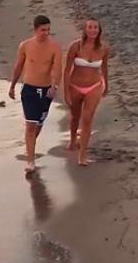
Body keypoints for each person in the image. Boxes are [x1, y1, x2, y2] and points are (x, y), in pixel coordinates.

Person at [6, 15, 62, 176]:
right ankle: (30, 161)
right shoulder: (25, 45)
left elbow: (57, 68)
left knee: (38, 125)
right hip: (29, 89)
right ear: (35, 30)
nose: (46, 33)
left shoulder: (55, 47)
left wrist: (54, 85)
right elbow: (18, 66)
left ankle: (30, 146)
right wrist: (12, 86)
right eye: (43, 30)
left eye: (48, 30)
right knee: (30, 125)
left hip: (46, 92)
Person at [59, 18, 111, 166]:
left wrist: (106, 84)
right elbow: (67, 70)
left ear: (99, 30)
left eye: (95, 27)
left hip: (94, 86)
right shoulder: (75, 46)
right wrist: (66, 91)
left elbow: (104, 68)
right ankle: (73, 139)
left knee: (87, 119)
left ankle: (82, 155)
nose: (93, 30)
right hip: (75, 86)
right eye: (90, 27)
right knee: (75, 116)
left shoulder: (104, 48)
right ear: (85, 29)